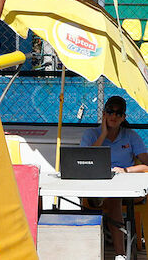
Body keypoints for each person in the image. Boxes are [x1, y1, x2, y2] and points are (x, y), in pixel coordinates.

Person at [80, 96, 148, 260]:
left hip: (125, 189)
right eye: (110, 111)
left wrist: (126, 170)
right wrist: (103, 135)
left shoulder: (130, 135)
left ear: (123, 117)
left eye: (118, 113)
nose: (114, 116)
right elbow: (84, 159)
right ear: (104, 114)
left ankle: (120, 254)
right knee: (111, 198)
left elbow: (146, 164)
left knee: (113, 199)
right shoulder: (91, 134)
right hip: (95, 187)